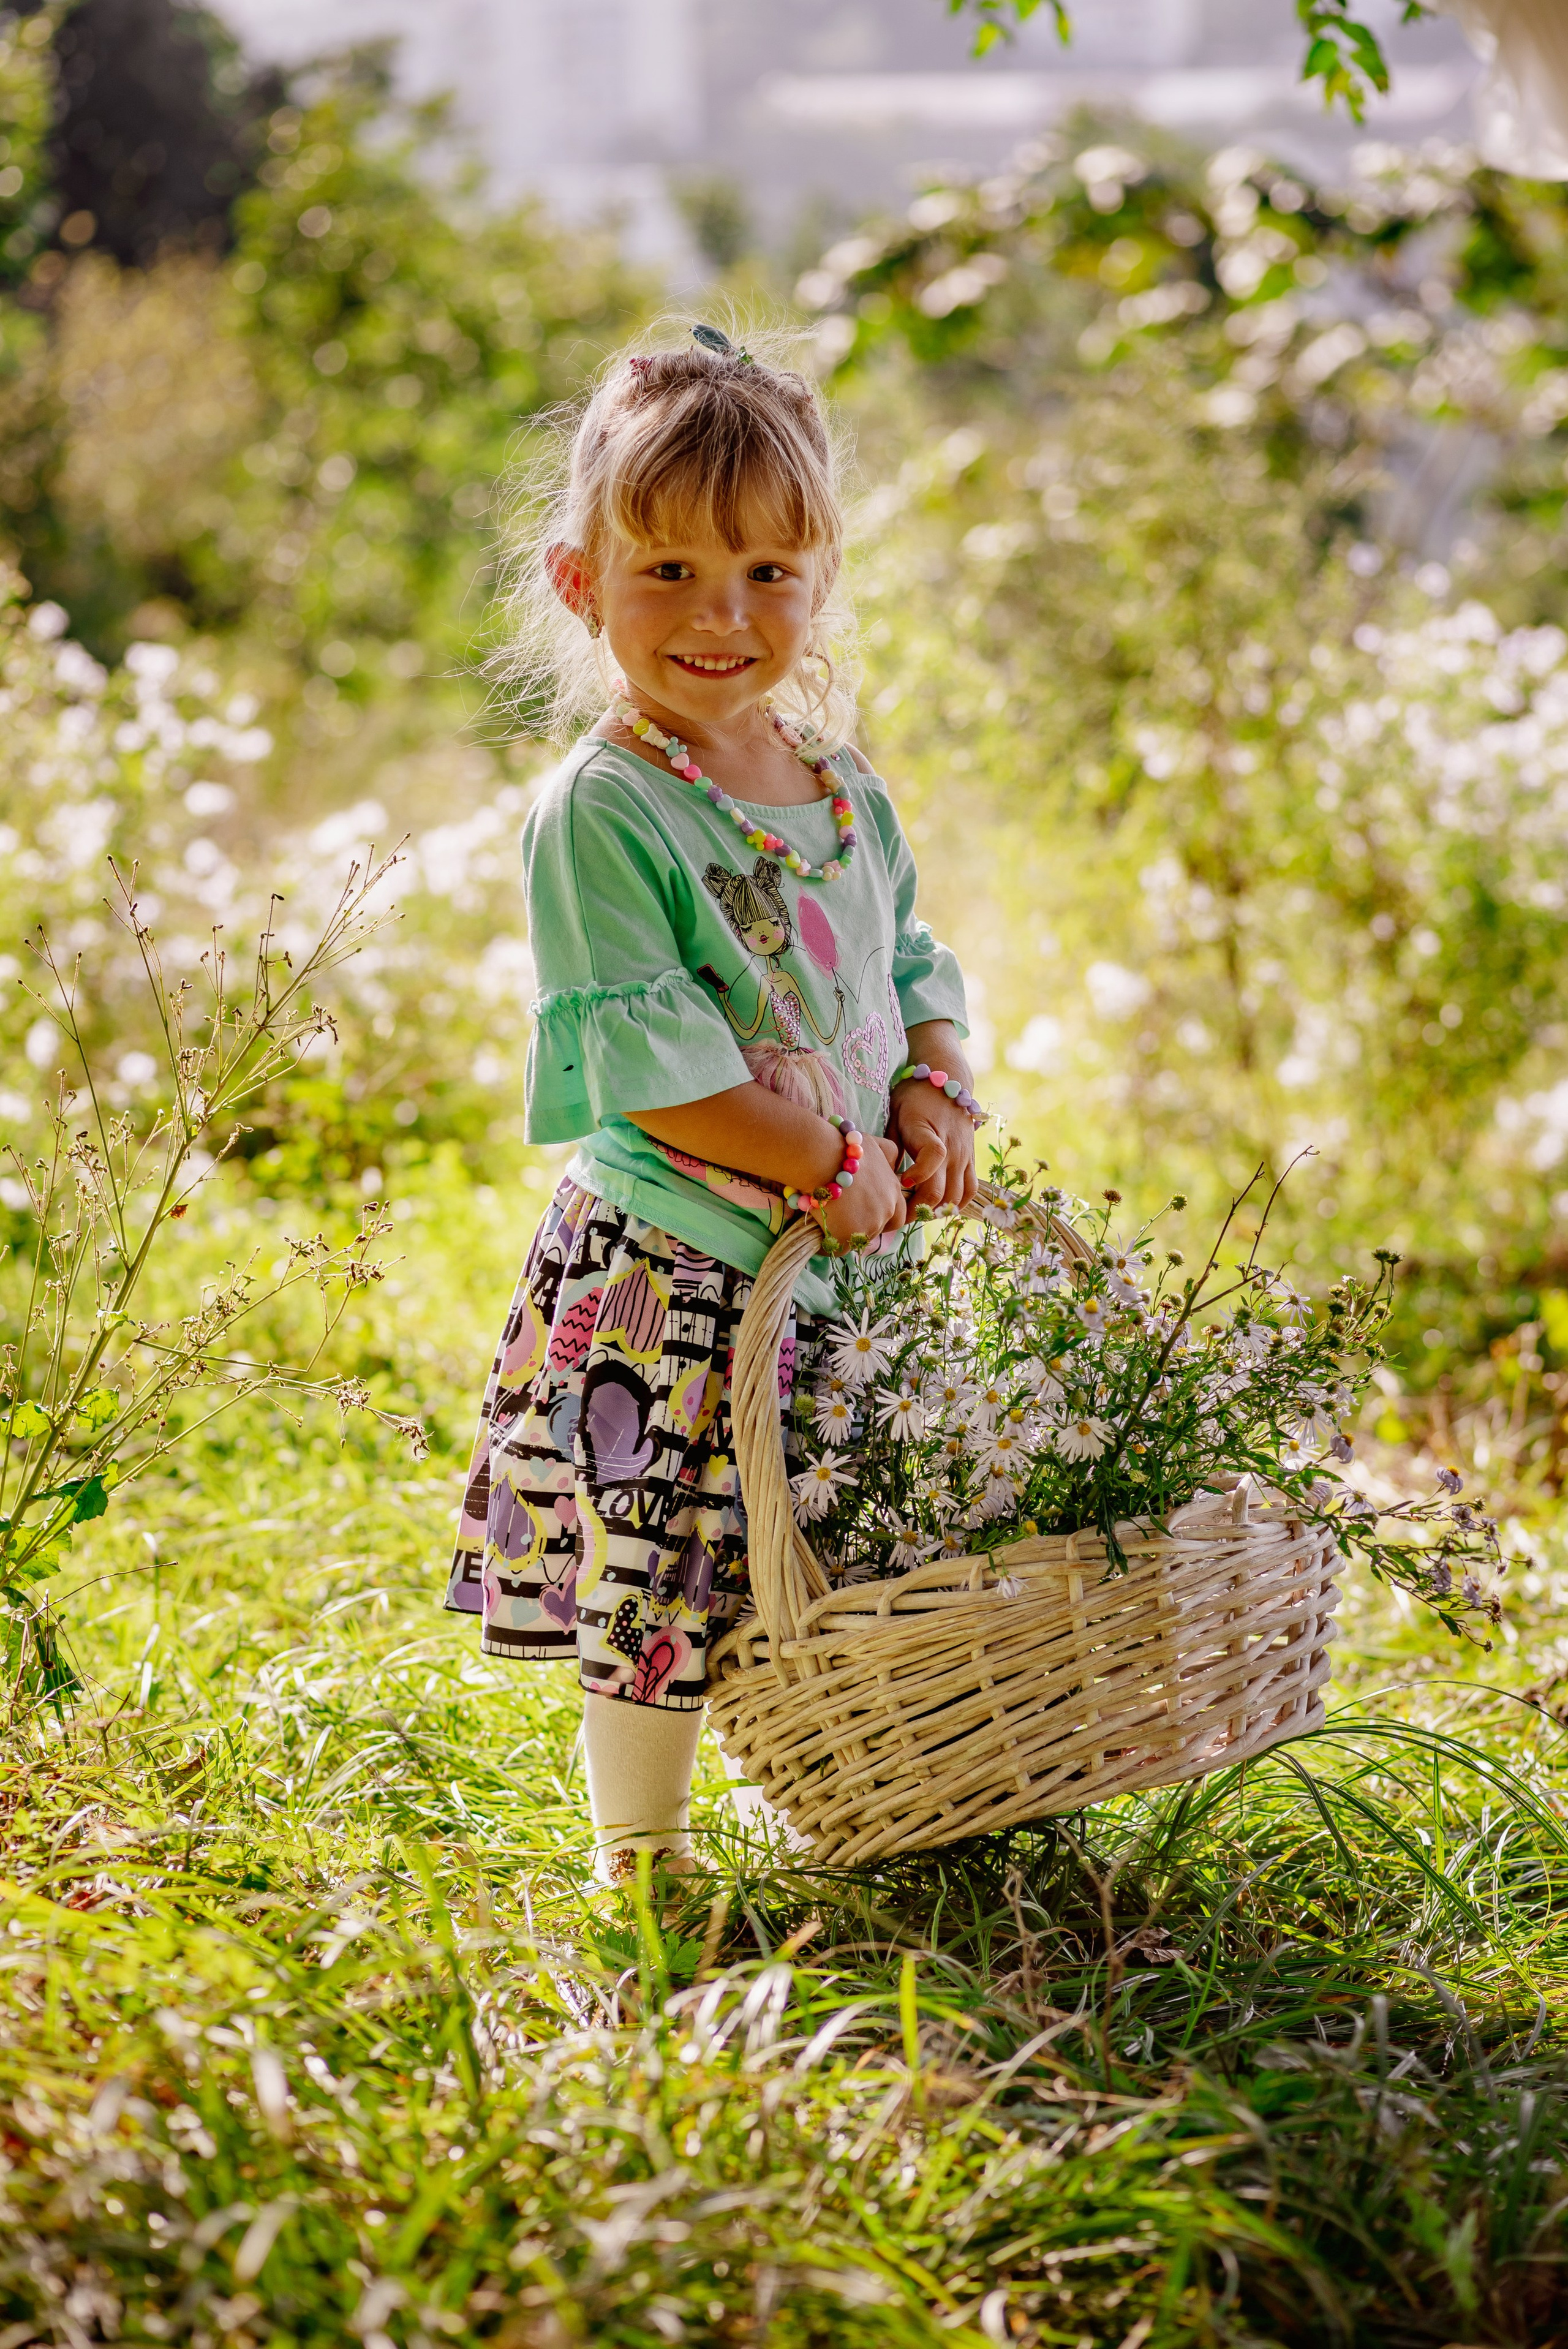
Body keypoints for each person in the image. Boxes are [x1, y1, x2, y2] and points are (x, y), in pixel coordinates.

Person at [445, 326, 979, 1880]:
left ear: (819, 582)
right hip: (678, 1264)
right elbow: (661, 1069)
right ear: (580, 582)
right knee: (669, 1562)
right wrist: (825, 1155)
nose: (718, 615)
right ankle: (644, 1852)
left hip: (828, 1254)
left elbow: (907, 953)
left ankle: (829, 1791)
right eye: (668, 570)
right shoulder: (605, 810)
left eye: (764, 573)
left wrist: (937, 1086)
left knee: (813, 1538)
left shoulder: (835, 782)